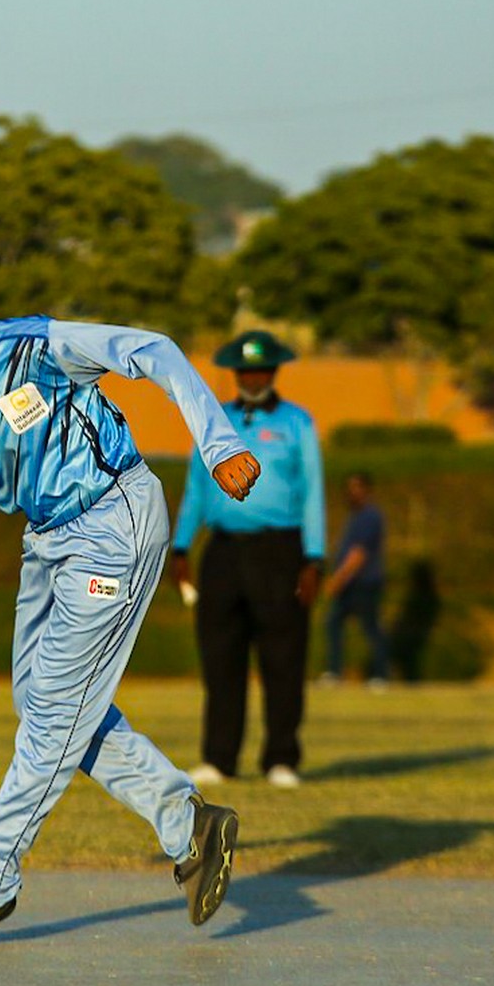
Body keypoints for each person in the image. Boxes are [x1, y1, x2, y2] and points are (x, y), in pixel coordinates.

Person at [0, 259, 259, 949]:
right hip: (48, 538)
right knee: (40, 705)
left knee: (52, 722)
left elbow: (154, 350)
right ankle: (190, 825)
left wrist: (219, 446)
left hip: (114, 520)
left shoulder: (31, 344)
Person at [169, 330, 325, 790]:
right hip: (223, 550)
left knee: (283, 656)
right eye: (245, 371)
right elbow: (197, 488)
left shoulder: (297, 422)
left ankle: (281, 757)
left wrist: (315, 558)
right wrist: (181, 546)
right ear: (235, 374)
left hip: (279, 550)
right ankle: (219, 758)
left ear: (273, 372)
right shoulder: (214, 420)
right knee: (220, 656)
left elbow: (313, 492)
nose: (253, 378)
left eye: (261, 370)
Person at [321, 471, 390, 689]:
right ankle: (335, 671)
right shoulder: (355, 517)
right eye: (349, 488)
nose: (352, 493)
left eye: (357, 487)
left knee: (370, 627)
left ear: (367, 490)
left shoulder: (370, 517)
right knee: (333, 623)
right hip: (350, 585)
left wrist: (338, 579)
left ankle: (380, 674)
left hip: (364, 582)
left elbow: (358, 554)